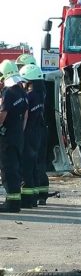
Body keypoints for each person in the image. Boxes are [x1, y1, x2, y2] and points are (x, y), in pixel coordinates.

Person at [0, 60, 28, 212]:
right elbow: (25, 116)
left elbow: (2, 116)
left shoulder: (8, 92)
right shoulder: (21, 91)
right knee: (15, 168)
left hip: (7, 138)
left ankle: (11, 203)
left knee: (8, 169)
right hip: (18, 136)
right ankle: (15, 201)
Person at [19, 64, 45, 208]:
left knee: (26, 168)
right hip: (37, 134)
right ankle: (33, 198)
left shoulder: (29, 97)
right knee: (33, 166)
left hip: (28, 134)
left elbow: (24, 117)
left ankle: (27, 199)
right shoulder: (41, 95)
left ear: (29, 81)